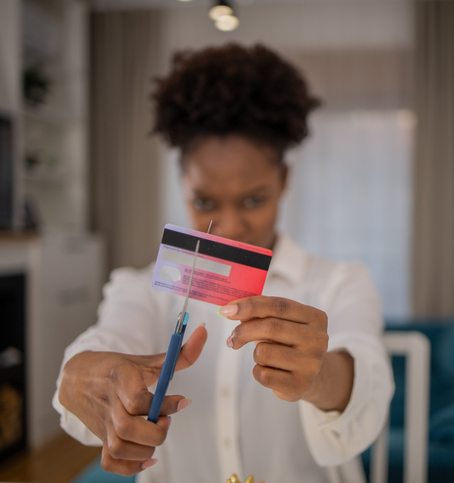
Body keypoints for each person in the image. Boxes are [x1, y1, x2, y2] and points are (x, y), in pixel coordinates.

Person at [53, 43, 393, 483]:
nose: (230, 227)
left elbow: (369, 383)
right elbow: (106, 338)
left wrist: (321, 376)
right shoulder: (140, 289)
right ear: (182, 186)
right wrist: (79, 374)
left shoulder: (341, 282)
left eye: (253, 199)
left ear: (284, 180)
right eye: (205, 201)